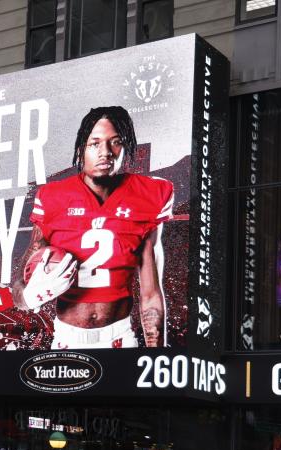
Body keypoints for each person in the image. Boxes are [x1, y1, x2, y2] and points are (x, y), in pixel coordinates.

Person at [13, 105, 174, 349]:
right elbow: (21, 282)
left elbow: (151, 293)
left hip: (119, 338)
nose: (106, 152)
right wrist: (26, 297)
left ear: (126, 146)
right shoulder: (53, 196)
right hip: (67, 340)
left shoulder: (149, 194)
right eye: (95, 143)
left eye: (116, 142)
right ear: (81, 150)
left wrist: (157, 354)